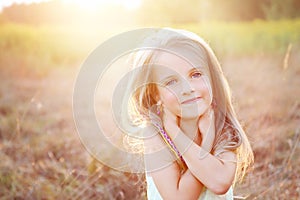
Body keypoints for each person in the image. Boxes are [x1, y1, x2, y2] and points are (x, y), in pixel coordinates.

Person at [125, 28, 253, 199]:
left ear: (212, 79)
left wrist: (207, 137)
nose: (188, 89)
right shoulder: (155, 134)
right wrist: (199, 141)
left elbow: (219, 182)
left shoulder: (221, 125)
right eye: (171, 81)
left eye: (196, 74)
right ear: (156, 94)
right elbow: (178, 197)